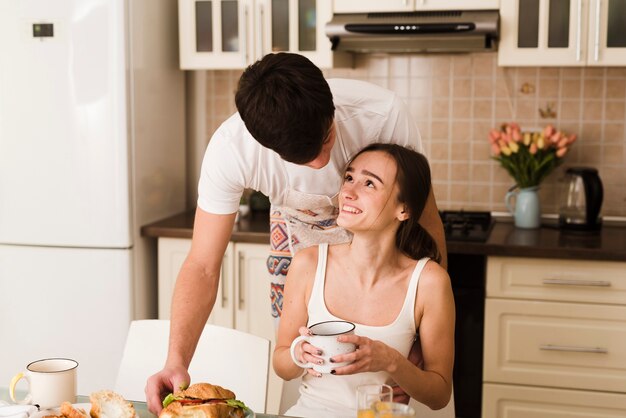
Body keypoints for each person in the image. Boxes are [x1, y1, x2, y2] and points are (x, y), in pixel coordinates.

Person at [145, 52, 447, 414]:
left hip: (387, 260)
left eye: (327, 140)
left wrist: (417, 343)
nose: (322, 162)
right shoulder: (232, 150)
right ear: (265, 145)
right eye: (303, 158)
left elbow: (425, 217)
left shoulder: (381, 115)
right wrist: (176, 359)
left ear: (331, 106)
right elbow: (203, 265)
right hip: (299, 248)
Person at [273, 143, 455, 418]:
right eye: (349, 178)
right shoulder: (308, 263)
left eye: (369, 183)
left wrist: (391, 361)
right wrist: (299, 353)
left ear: (403, 209)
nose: (347, 192)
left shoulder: (429, 282)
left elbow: (439, 395)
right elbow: (281, 365)